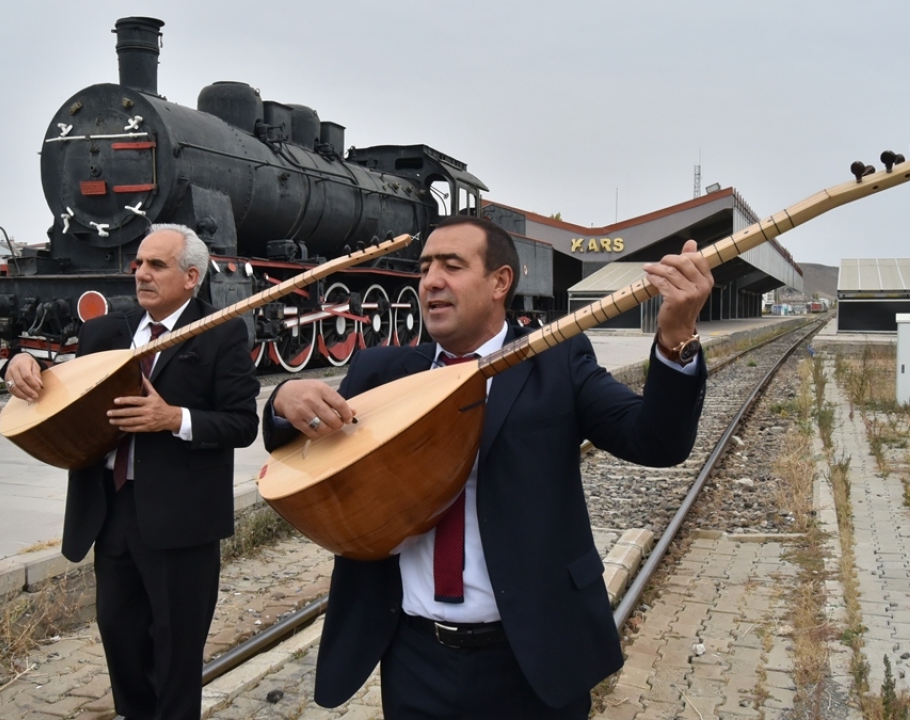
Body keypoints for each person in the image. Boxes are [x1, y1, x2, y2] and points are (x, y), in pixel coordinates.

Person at [262, 215, 713, 718]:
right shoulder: (381, 371)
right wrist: (284, 397)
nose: (431, 280)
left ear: (500, 282)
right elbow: (309, 442)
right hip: (413, 657)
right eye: (426, 266)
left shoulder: (557, 362)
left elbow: (656, 441)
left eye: (452, 266)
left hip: (530, 658)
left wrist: (675, 340)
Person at [3, 224, 259, 720]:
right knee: (120, 642)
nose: (140, 273)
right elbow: (56, 381)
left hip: (181, 523)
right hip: (110, 512)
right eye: (138, 263)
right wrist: (18, 362)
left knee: (176, 654)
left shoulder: (221, 332)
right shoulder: (105, 332)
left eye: (155, 265)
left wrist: (174, 418)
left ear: (191, 277)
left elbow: (243, 423)